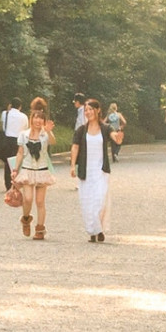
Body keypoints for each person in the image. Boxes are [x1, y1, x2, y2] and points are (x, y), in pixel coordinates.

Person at [71, 97, 114, 242]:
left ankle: (99, 227)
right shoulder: (81, 130)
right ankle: (93, 231)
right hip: (86, 171)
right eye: (86, 110)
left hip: (101, 170)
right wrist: (72, 166)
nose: (88, 112)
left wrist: (118, 137)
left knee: (100, 200)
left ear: (98, 110)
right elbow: (75, 147)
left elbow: (114, 136)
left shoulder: (105, 128)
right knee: (87, 201)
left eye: (90, 109)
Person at [12, 97, 56, 240]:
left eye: (40, 119)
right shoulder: (24, 135)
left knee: (40, 202)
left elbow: (53, 142)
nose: (38, 121)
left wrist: (49, 131)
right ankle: (25, 219)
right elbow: (20, 153)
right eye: (35, 118)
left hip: (42, 170)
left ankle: (40, 229)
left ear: (43, 121)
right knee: (28, 199)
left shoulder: (45, 134)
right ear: (31, 119)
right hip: (27, 169)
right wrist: (15, 169)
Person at [0, 98, 27, 191]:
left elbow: (3, 126)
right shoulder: (24, 116)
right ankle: (17, 183)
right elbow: (25, 129)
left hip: (7, 140)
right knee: (17, 162)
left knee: (7, 163)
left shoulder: (4, 114)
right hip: (19, 140)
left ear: (10, 105)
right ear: (20, 106)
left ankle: (8, 184)